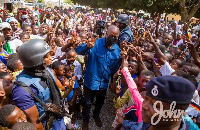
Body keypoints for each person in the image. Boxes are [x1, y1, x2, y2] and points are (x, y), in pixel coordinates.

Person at [12, 39, 66, 130]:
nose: (51, 58)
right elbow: (35, 121)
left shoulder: (45, 70)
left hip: (57, 115)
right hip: (45, 124)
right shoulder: (22, 90)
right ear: (35, 60)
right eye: (46, 56)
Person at [76, 25, 120, 129]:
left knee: (100, 102)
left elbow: (115, 69)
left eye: (115, 37)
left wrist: (113, 81)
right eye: (111, 35)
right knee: (87, 103)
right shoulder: (95, 43)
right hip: (90, 81)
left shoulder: (117, 50)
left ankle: (96, 115)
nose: (112, 38)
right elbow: (78, 51)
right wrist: (87, 46)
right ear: (106, 34)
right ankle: (85, 121)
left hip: (103, 83)